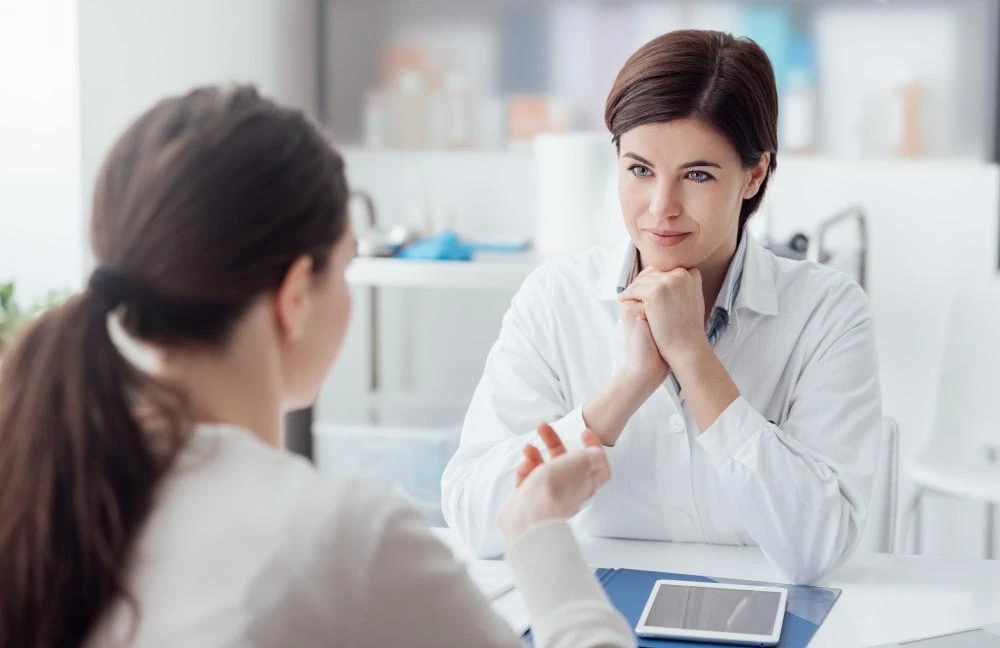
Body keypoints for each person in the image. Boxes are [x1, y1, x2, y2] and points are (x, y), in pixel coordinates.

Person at [0, 85, 633, 648]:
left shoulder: (42, 486)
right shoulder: (344, 541)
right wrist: (537, 533)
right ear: (295, 296)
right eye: (349, 264)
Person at [442, 29, 882, 585]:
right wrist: (627, 386)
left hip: (763, 607)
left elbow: (818, 548)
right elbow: (476, 521)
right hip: (594, 614)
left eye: (697, 175)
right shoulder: (554, 298)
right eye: (640, 169)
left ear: (754, 174)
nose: (661, 208)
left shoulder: (828, 311)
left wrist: (693, 357)